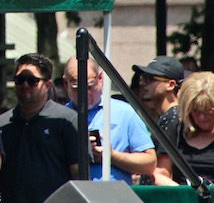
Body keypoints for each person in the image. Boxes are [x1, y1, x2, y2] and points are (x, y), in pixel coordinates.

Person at [0, 53, 79, 203]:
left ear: (47, 85)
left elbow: (79, 174)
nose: (25, 85)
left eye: (32, 81)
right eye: (20, 80)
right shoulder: (1, 124)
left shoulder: (67, 120)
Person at [63, 56, 156, 184]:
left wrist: (111, 156)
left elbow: (149, 164)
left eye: (89, 85)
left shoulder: (124, 112)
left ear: (100, 78)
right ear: (65, 83)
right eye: (76, 87)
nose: (84, 92)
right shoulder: (60, 118)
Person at [153, 71, 214, 185]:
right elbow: (160, 174)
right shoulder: (176, 129)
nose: (202, 117)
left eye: (208, 111)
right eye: (196, 111)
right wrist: (186, 194)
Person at [131, 55, 183, 182]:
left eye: (149, 79)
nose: (142, 83)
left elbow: (162, 171)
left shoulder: (172, 118)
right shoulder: (170, 116)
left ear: (170, 85)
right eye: (143, 78)